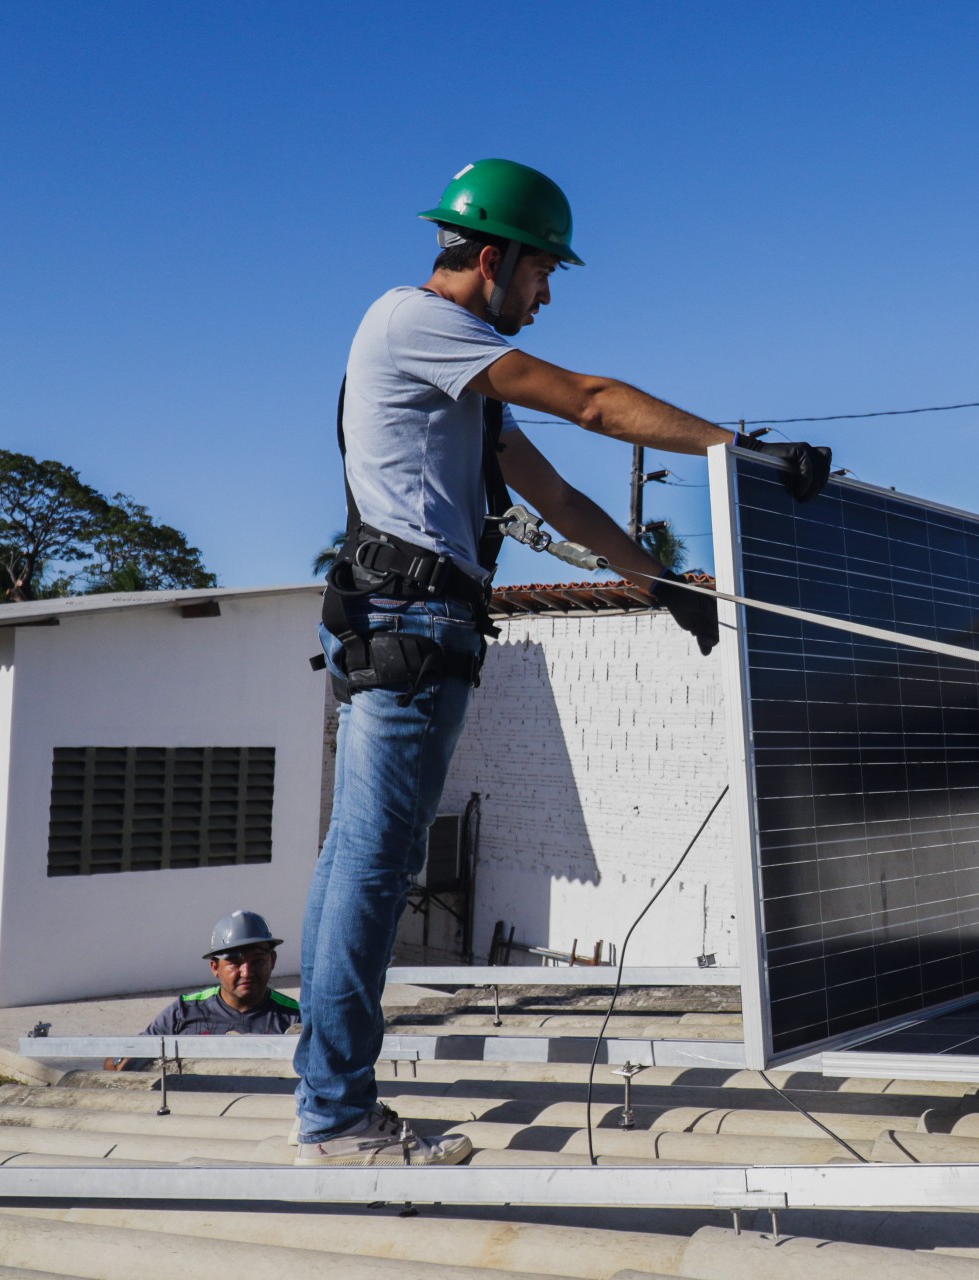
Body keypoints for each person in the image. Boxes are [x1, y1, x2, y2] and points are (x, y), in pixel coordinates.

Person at [296, 158, 831, 1167]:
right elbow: (588, 400)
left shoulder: (462, 380)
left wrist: (660, 585)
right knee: (371, 869)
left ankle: (330, 1099)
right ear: (491, 259)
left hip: (420, 627)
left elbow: (563, 501)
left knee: (361, 864)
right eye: (542, 274)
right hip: (407, 626)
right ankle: (334, 1115)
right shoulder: (412, 323)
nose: (543, 298)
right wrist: (742, 450)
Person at [106, 910, 298, 1071]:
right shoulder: (184, 1011)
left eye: (257, 961)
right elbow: (120, 1062)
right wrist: (121, 1060)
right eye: (235, 963)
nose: (247, 972)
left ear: (272, 961)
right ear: (215, 967)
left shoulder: (295, 1017)